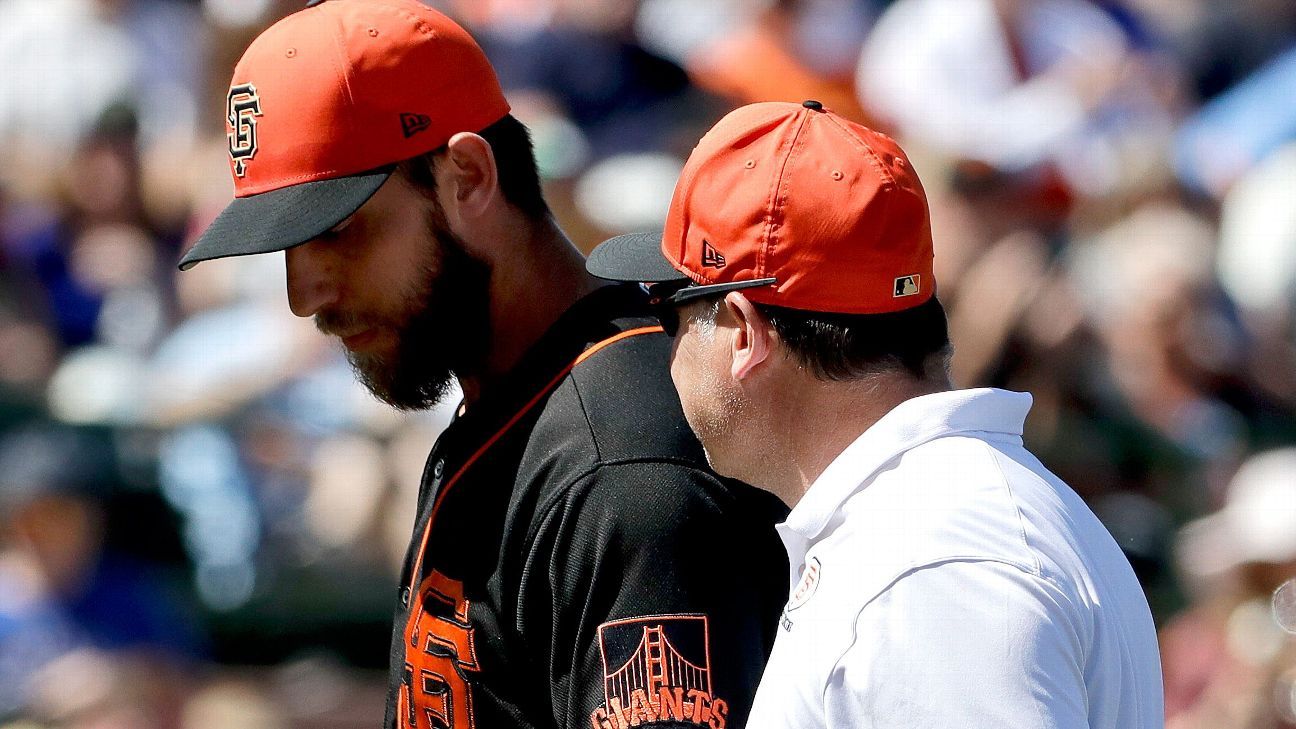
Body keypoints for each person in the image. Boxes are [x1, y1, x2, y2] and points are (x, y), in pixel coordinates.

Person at [177, 2, 788, 728]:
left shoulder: (626, 462)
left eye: (337, 231)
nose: (303, 292)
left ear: (466, 176)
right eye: (287, 246)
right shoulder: (517, 401)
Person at [586, 100, 1164, 728]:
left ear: (743, 332)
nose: (663, 351)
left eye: (667, 312)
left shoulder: (930, 567)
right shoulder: (934, 525)